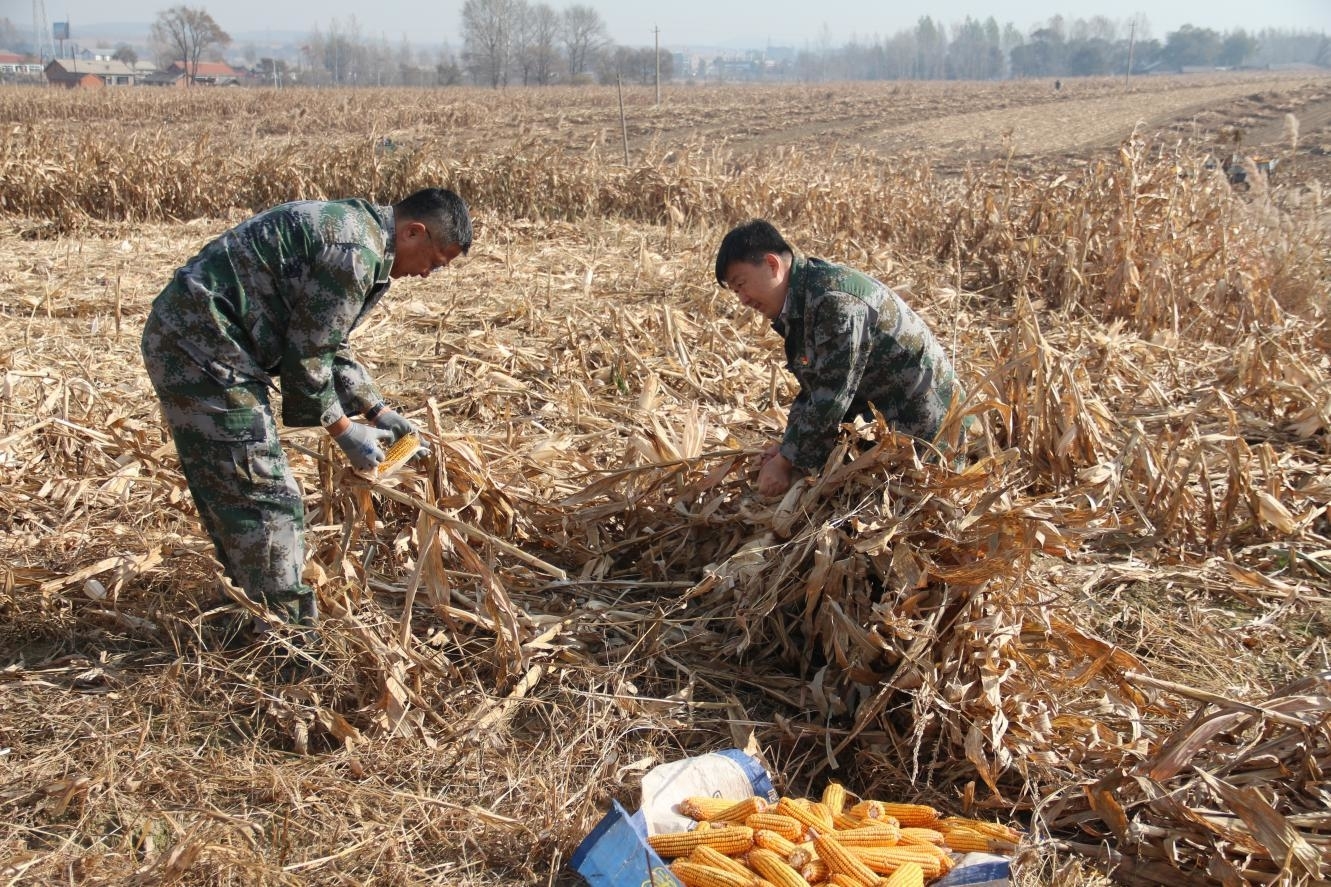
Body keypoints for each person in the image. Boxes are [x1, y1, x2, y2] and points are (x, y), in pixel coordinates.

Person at [142, 188, 472, 629]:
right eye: (435, 260)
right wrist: (343, 431)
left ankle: (250, 608)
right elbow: (308, 356)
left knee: (235, 486)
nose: (428, 274)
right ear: (414, 232)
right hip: (204, 350)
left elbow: (329, 340)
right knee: (263, 493)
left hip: (196, 339)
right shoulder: (355, 252)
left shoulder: (359, 233)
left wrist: (375, 411)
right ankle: (287, 635)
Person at [714, 219, 963, 498]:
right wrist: (787, 447)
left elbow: (831, 397)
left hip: (927, 433)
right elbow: (814, 387)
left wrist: (786, 462)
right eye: (736, 292)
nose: (743, 300)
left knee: (843, 502)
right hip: (884, 411)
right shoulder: (804, 299)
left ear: (772, 264)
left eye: (741, 284)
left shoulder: (834, 302)